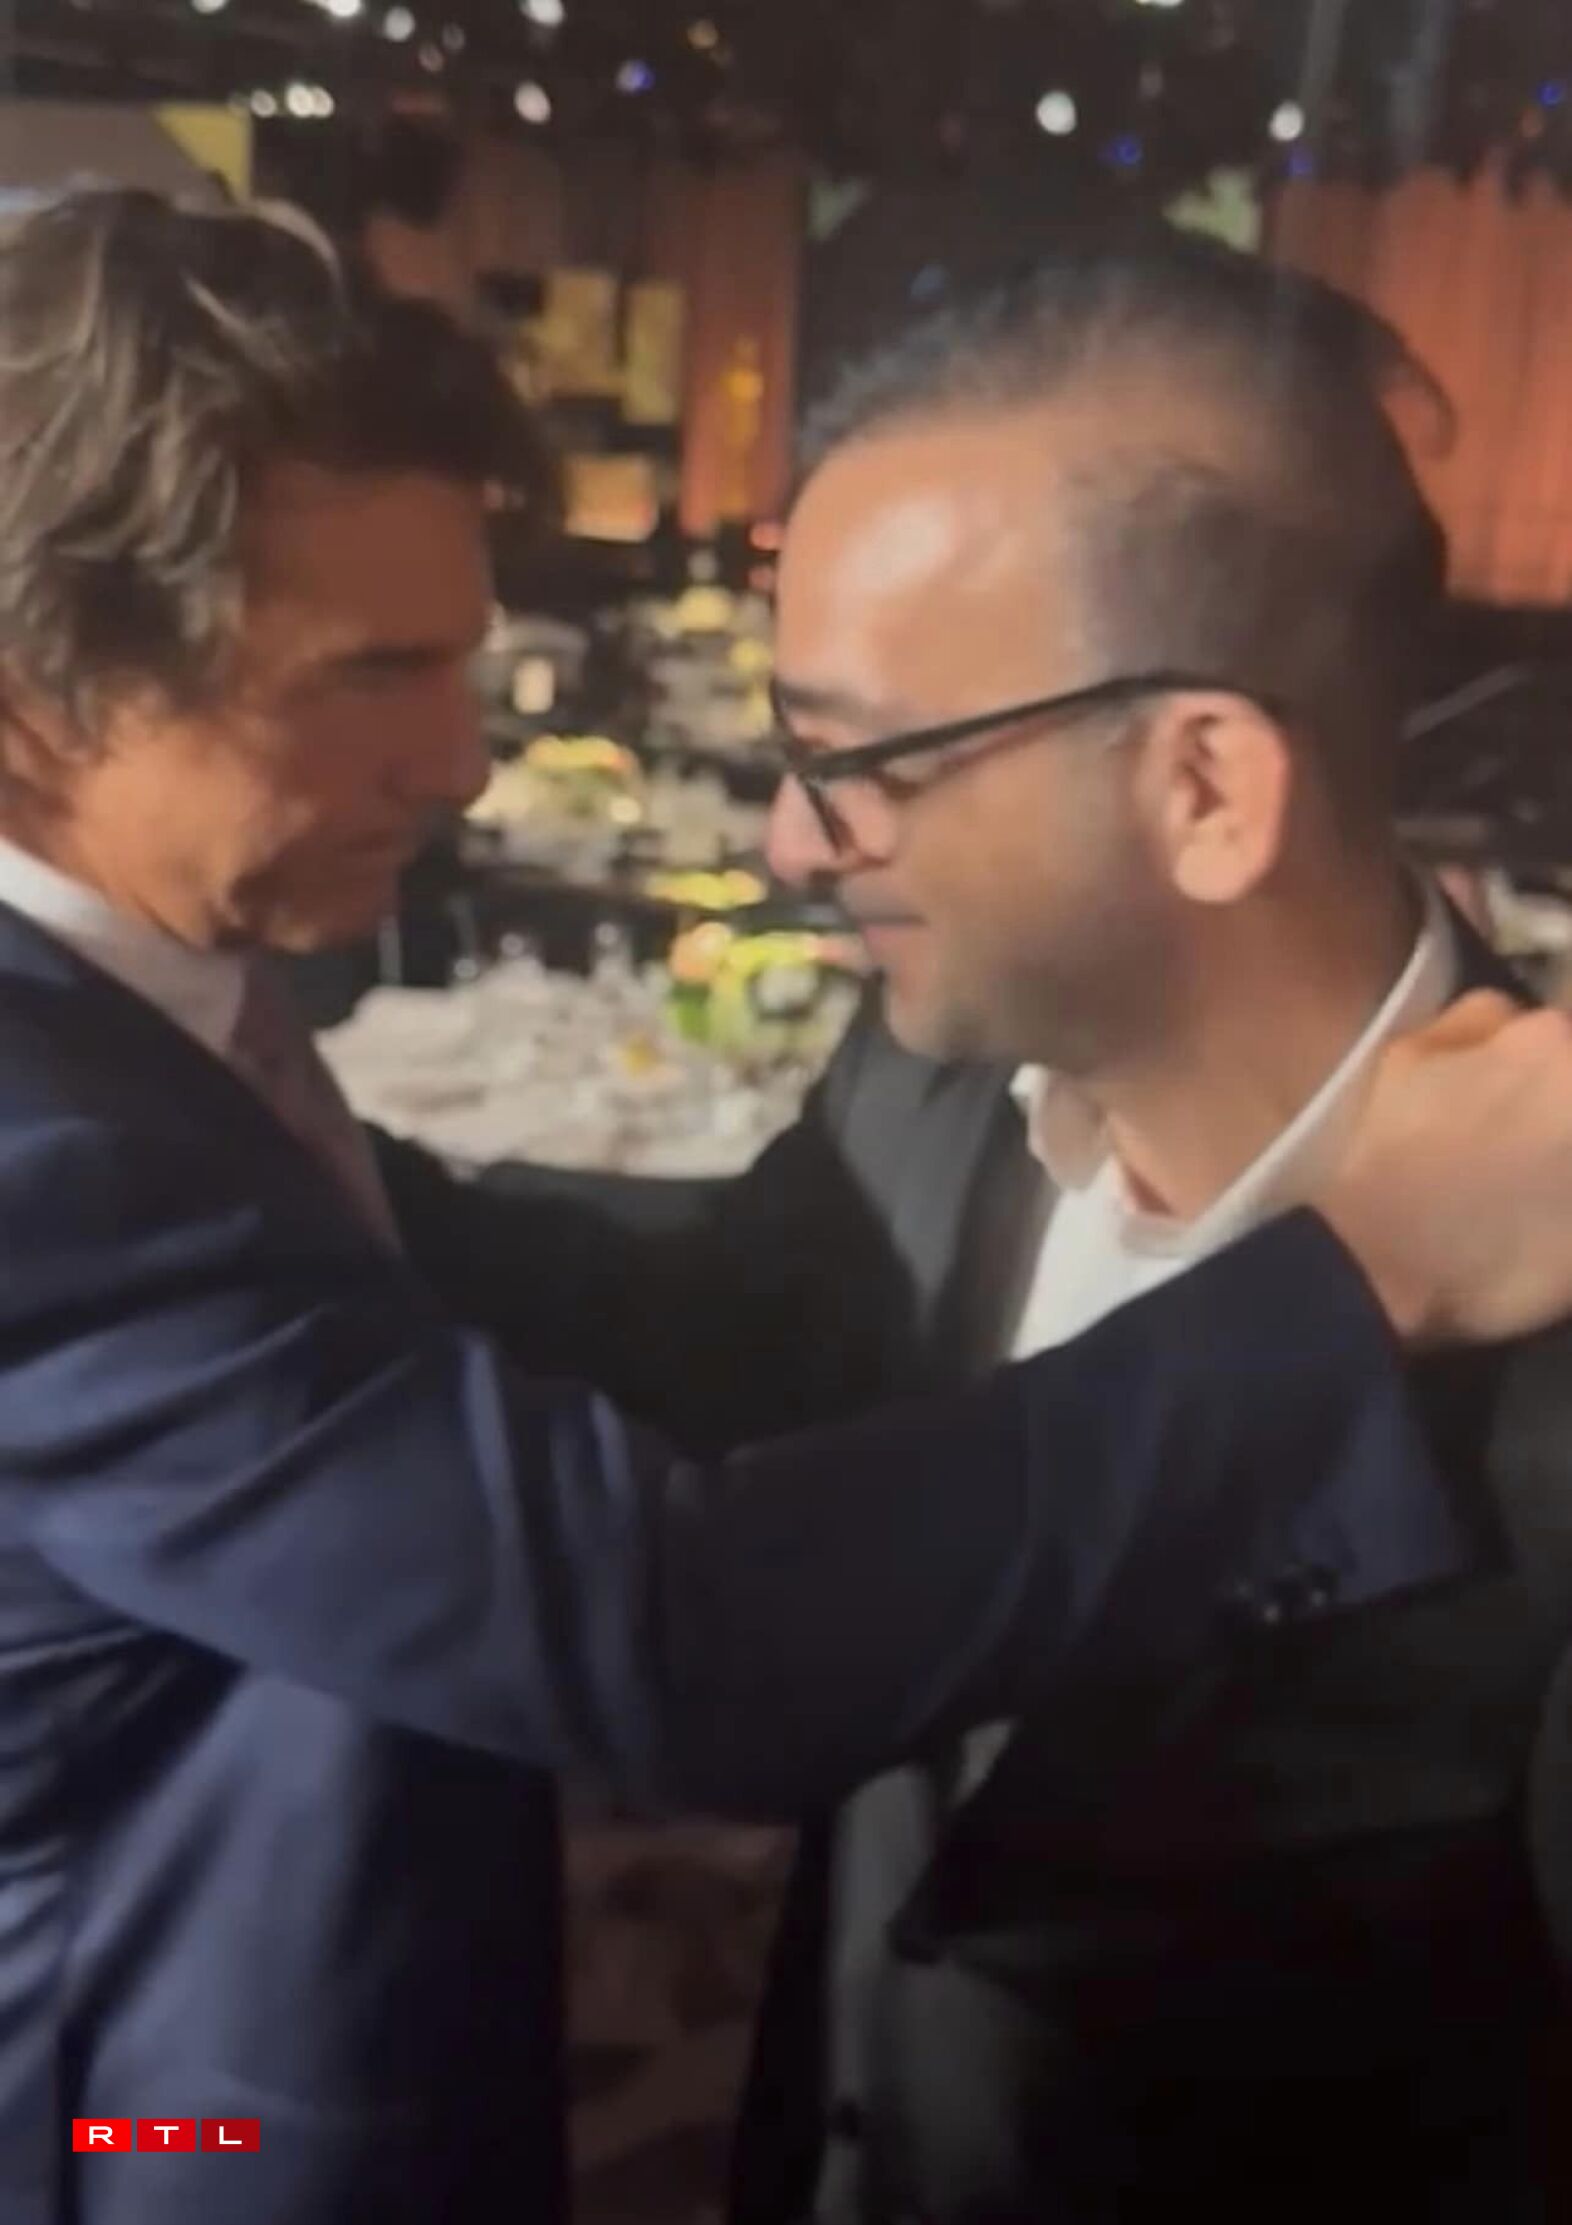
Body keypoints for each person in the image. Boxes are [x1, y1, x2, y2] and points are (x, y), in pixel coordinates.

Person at [7, 189, 1565, 2225]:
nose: (787, 841)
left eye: (855, 759)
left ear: (1203, 783)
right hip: (137, 2136)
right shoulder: (928, 1082)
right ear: (42, 689)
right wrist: (1359, 1280)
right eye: (372, 669)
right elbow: (684, 1610)